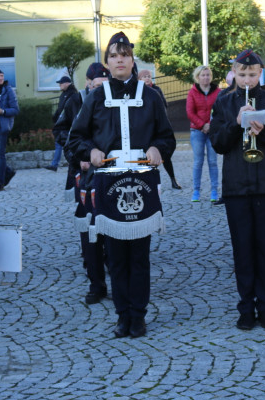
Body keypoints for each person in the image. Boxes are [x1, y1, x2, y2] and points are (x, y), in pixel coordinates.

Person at [66, 32, 175, 338]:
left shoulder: (151, 97)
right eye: (113, 56)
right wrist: (91, 152)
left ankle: (138, 316)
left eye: (124, 55)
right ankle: (122, 315)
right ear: (107, 61)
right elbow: (75, 138)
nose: (119, 60)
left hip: (141, 181)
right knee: (114, 256)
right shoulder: (96, 98)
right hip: (109, 183)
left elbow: (166, 136)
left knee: (139, 256)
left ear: (132, 59)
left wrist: (158, 150)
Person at [209, 49, 265, 330]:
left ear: (261, 74)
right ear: (234, 74)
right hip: (236, 186)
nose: (247, 80)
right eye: (242, 75)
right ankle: (246, 307)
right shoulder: (224, 101)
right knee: (242, 249)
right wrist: (236, 124)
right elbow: (217, 144)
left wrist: (263, 131)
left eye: (252, 75)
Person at [66, 63, 108, 305]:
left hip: (110, 177)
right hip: (87, 177)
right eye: (96, 86)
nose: (99, 90)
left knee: (112, 233)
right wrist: (80, 158)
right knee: (90, 234)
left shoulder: (115, 103)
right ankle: (96, 283)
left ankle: (113, 274)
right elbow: (68, 135)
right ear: (89, 84)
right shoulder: (77, 101)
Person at [139, 69, 182, 189]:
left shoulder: (156, 90)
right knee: (149, 157)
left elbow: (164, 104)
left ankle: (173, 179)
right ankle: (150, 181)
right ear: (139, 79)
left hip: (158, 125)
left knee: (166, 156)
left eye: (149, 76)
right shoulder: (138, 92)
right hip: (146, 129)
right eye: (144, 77)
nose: (147, 78)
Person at [185, 65, 220, 202]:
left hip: (212, 131)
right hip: (197, 131)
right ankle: (196, 192)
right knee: (198, 162)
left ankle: (214, 192)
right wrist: (202, 125)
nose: (205, 77)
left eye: (207, 75)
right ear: (197, 77)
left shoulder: (217, 92)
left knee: (213, 161)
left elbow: (220, 111)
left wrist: (211, 125)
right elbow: (190, 112)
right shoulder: (192, 92)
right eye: (203, 75)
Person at [47, 75, 78, 172]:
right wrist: (55, 118)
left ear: (67, 83)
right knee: (59, 143)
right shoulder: (63, 94)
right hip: (62, 124)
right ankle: (55, 164)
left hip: (67, 125)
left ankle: (71, 163)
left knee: (67, 145)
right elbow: (60, 109)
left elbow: (71, 111)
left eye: (61, 83)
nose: (60, 85)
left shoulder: (73, 95)